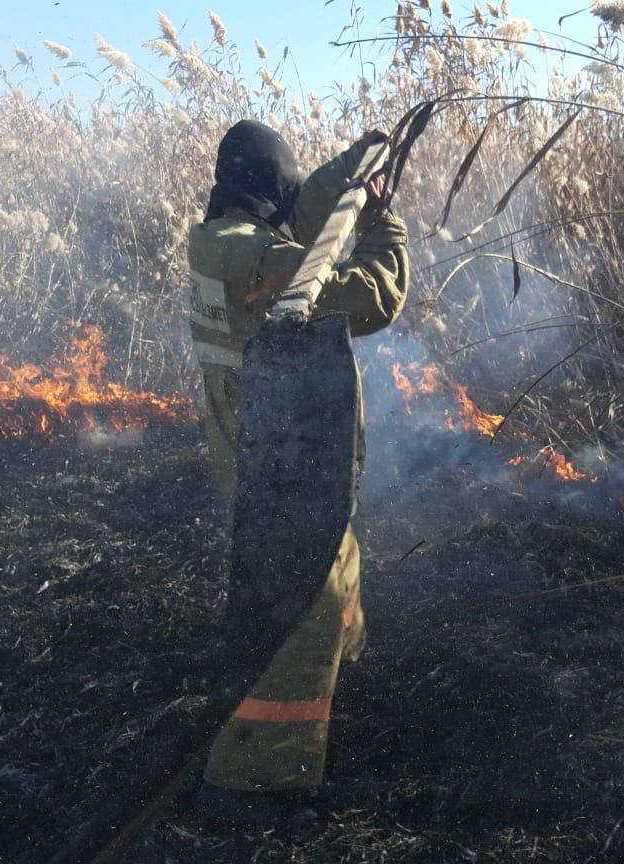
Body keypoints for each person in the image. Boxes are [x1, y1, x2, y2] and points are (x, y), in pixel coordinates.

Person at [187, 119, 409, 824]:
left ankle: (344, 681)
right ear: (265, 191)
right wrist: (383, 229)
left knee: (338, 565)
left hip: (268, 447)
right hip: (277, 460)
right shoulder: (255, 258)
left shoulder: (225, 238)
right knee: (301, 611)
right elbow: (368, 298)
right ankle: (250, 777)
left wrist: (353, 166)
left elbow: (303, 212)